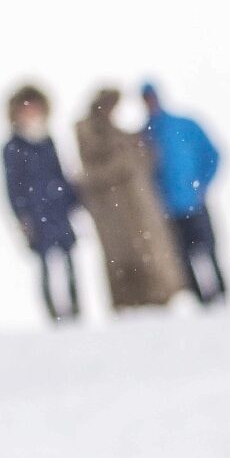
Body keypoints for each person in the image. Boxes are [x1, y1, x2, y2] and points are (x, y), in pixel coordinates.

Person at [74, 88, 184, 309]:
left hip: (138, 209)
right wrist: (123, 162)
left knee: (149, 253)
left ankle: (159, 295)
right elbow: (92, 172)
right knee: (123, 260)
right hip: (111, 212)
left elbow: (146, 159)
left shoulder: (123, 134)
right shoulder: (89, 131)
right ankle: (130, 301)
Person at [140, 80, 228, 304]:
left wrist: (201, 184)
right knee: (182, 258)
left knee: (208, 252)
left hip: (194, 202)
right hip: (168, 209)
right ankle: (200, 302)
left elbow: (212, 154)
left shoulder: (184, 125)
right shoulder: (144, 135)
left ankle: (223, 298)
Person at [1, 85, 83, 323]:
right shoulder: (13, 147)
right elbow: (12, 186)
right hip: (37, 216)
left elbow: (61, 174)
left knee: (69, 262)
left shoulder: (48, 141)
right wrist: (23, 217)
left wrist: (73, 199)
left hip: (58, 211)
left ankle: (76, 311)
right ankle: (54, 316)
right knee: (46, 265)